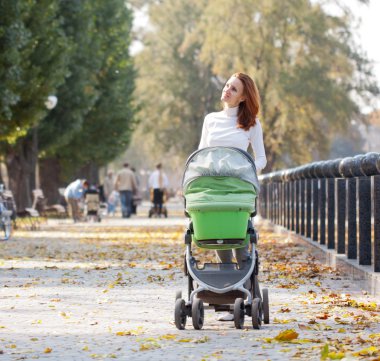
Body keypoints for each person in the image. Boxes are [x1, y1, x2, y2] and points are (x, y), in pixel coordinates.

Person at [198, 72, 267, 321]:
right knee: (218, 237)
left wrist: (244, 169)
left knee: (239, 242)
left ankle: (245, 295)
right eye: (227, 86)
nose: (227, 90)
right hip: (213, 185)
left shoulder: (251, 124)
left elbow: (261, 159)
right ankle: (227, 298)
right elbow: (202, 152)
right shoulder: (211, 120)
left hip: (237, 187)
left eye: (234, 89)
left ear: (243, 97)